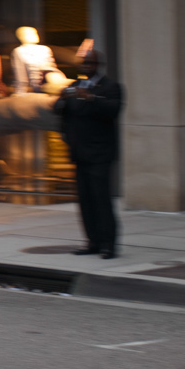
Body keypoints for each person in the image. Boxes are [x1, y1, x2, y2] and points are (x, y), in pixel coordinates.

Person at [55, 47, 123, 258]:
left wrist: (91, 98)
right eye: (84, 63)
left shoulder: (111, 87)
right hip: (80, 154)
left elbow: (113, 110)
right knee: (85, 201)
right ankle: (92, 241)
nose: (87, 67)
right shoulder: (74, 86)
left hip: (100, 154)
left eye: (91, 63)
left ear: (98, 65)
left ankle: (108, 245)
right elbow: (57, 109)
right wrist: (62, 98)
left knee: (102, 200)